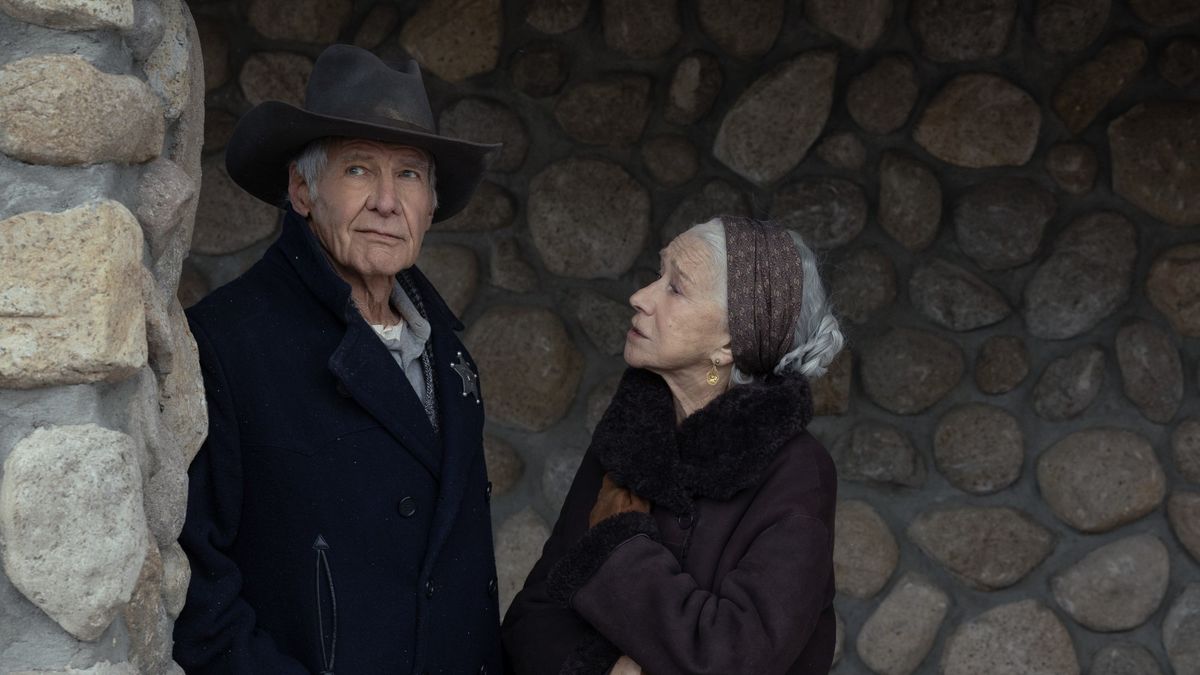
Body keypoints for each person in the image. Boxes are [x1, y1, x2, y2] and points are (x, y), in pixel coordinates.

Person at [173, 44, 503, 674]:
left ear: (430, 205)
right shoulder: (228, 343)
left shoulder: (450, 352)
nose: (387, 200)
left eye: (408, 174)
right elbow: (194, 583)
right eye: (357, 170)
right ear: (302, 189)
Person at [502, 216, 844, 675]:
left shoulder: (798, 473)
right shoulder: (630, 440)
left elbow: (734, 658)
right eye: (657, 275)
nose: (640, 297)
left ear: (730, 341)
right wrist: (603, 670)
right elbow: (533, 618)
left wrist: (619, 544)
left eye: (676, 289)